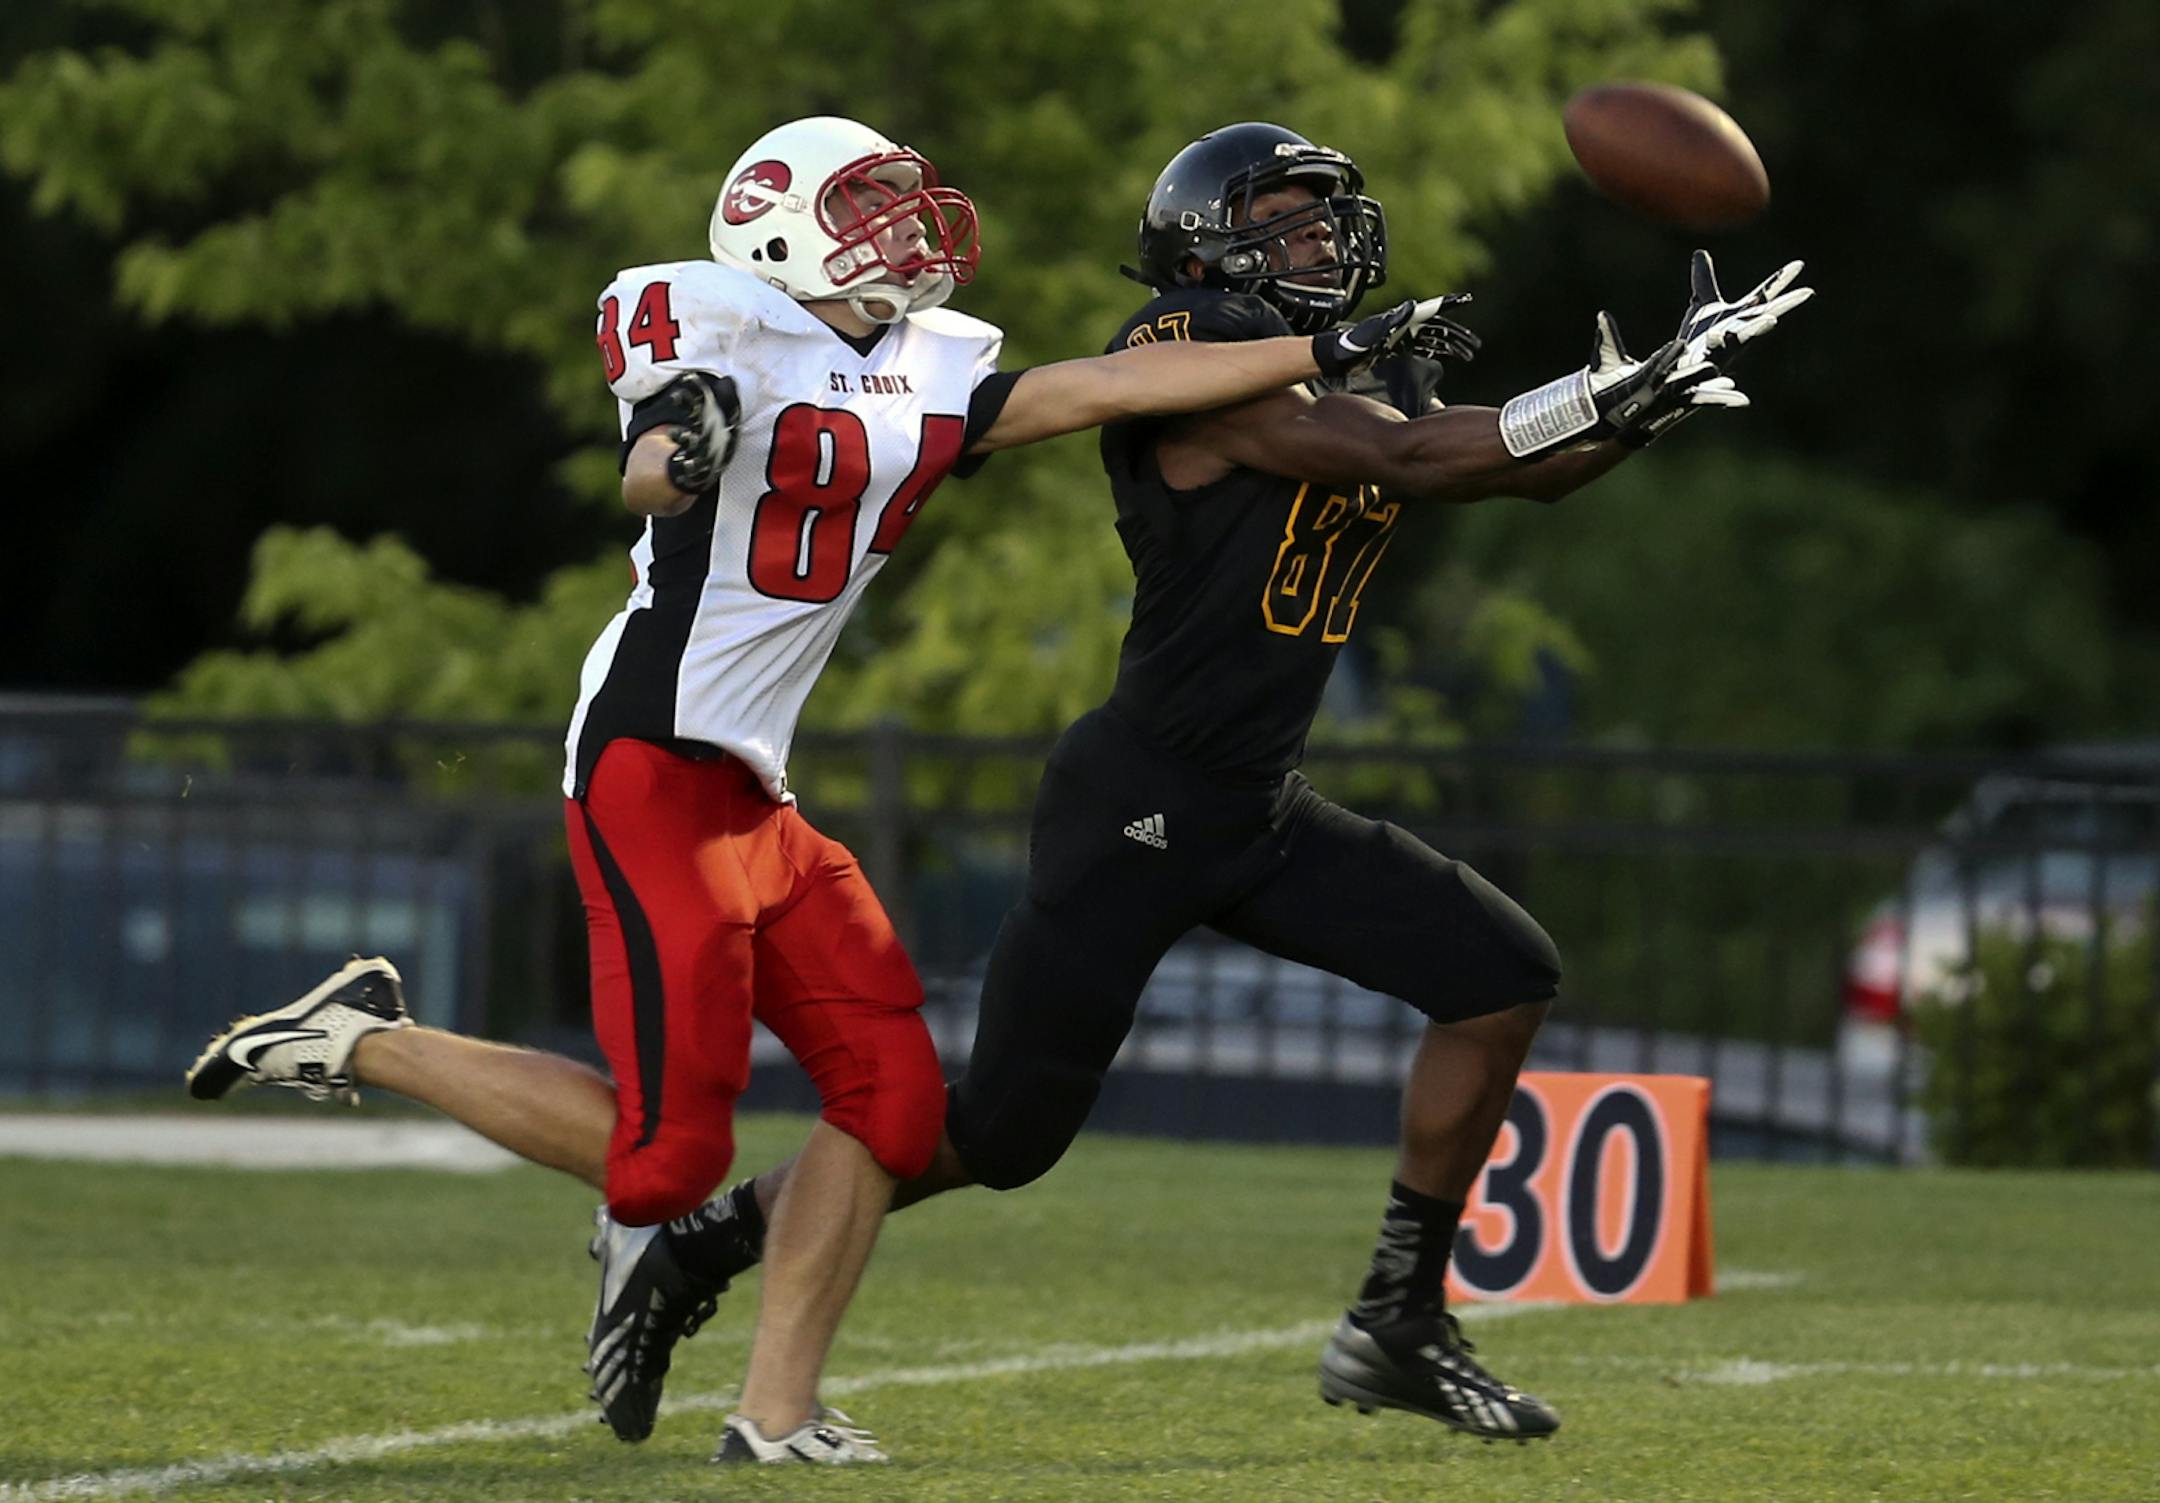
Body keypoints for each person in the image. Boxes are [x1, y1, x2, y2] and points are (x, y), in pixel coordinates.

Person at [183, 113, 1456, 1467]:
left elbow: (1104, 389)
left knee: (898, 1110)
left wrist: (1332, 347)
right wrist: (679, 447)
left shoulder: (931, 361)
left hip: (756, 793)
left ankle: (775, 1418)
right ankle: (364, 1038)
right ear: (778, 224)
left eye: (909, 201)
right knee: (665, 1168)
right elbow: (654, 455)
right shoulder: (714, 322)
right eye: (875, 204)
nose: (911, 227)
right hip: (651, 766)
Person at [608, 121, 1812, 1445]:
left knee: (1499, 974)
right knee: (998, 1140)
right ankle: (703, 1247)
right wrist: (1603, 392)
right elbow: (1404, 460)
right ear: (1208, 240)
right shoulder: (1178, 353)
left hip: (1254, 806)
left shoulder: (1337, 369)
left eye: (1325, 214)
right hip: (1141, 806)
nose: (1320, 238)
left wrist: (1649, 399)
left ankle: (1397, 1322)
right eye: (1285, 217)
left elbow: (1502, 474)